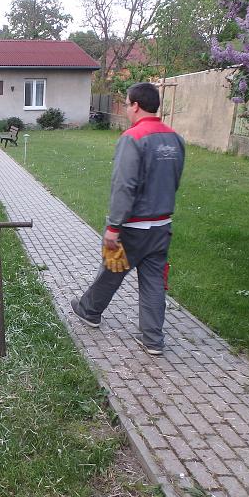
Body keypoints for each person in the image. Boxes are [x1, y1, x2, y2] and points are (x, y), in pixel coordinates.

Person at [70, 82, 185, 357]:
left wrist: (113, 227)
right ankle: (153, 339)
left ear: (135, 105)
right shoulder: (176, 139)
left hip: (132, 228)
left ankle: (89, 311)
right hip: (161, 227)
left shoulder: (133, 138)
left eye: (127, 103)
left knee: (111, 271)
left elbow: (124, 185)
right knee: (154, 282)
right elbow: (175, 180)